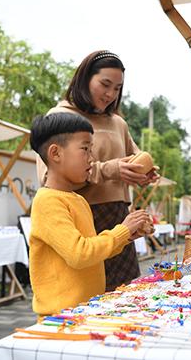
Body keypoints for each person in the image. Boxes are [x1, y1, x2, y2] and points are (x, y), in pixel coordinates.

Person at [37, 50, 158, 291]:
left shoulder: (118, 122)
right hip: (82, 213)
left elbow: (133, 158)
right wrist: (111, 169)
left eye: (117, 88)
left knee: (122, 294)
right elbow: (48, 176)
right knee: (83, 290)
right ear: (84, 78)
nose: (110, 94)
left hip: (118, 214)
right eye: (105, 84)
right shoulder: (60, 117)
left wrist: (142, 174)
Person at [29, 113, 151, 316]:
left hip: (85, 310)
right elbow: (80, 254)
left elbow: (93, 252)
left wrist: (127, 237)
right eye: (85, 149)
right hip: (61, 318)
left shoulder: (78, 200)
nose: (92, 158)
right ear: (56, 153)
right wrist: (122, 230)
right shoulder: (47, 201)